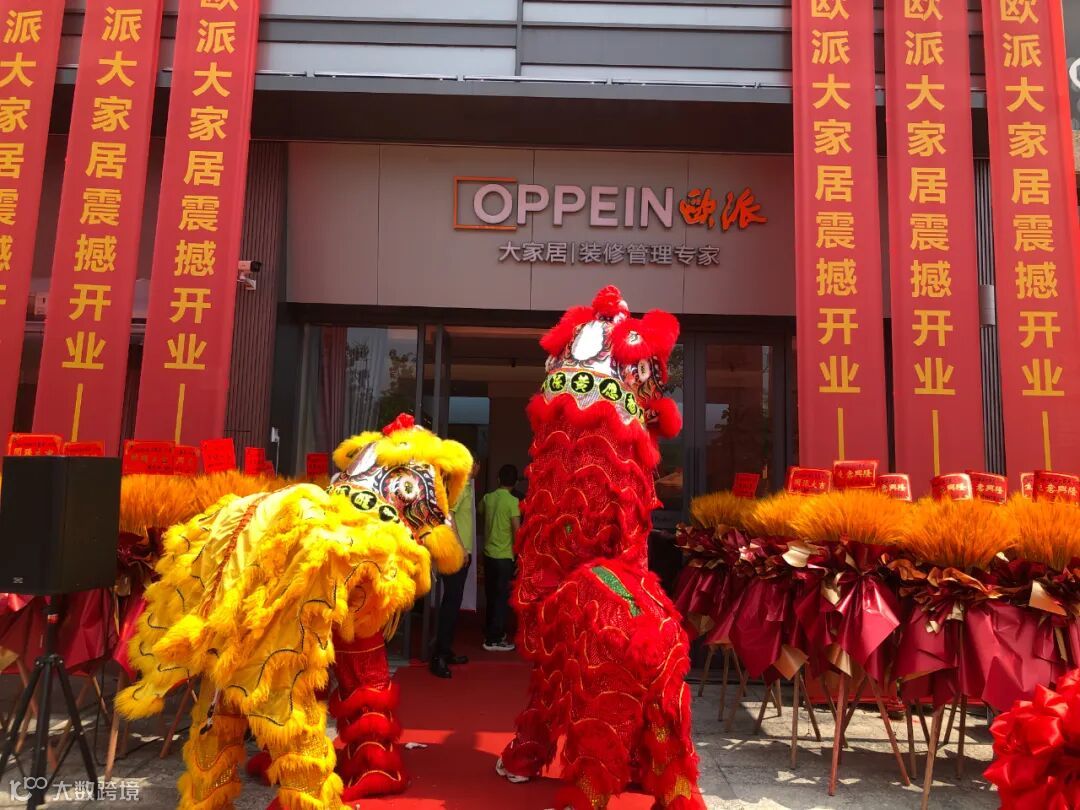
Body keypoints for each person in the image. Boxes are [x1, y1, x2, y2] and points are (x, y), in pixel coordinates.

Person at [431, 460, 479, 678]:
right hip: (455, 552)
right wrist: (460, 547)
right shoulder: (459, 487)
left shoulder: (466, 486)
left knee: (454, 600)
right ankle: (439, 656)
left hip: (461, 551)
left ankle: (446, 649)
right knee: (451, 602)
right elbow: (448, 517)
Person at [479, 464, 520, 651]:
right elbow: (517, 530)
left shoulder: (488, 498)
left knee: (491, 595)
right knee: (501, 598)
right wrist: (519, 555)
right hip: (504, 556)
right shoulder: (513, 502)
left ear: (498, 479)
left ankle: (490, 630)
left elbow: (480, 511)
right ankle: (494, 639)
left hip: (488, 554)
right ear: (516, 482)